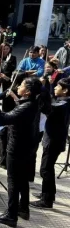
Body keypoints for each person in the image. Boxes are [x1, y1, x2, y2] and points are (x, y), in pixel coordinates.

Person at [0, 77, 42, 227]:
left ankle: (11, 214)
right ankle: (23, 208)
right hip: (27, 147)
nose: (18, 87)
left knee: (13, 180)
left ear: (28, 92)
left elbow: (3, 120)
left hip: (17, 148)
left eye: (22, 85)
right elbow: (19, 110)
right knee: (23, 179)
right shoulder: (32, 104)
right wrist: (15, 97)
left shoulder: (26, 107)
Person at [31, 78, 70, 209]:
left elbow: (47, 108)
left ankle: (46, 200)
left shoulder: (63, 104)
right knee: (47, 168)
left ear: (65, 90)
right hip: (53, 139)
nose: (54, 88)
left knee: (45, 169)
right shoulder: (62, 101)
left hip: (54, 140)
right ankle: (47, 194)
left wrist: (41, 88)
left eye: (57, 87)